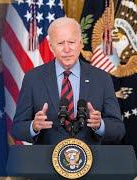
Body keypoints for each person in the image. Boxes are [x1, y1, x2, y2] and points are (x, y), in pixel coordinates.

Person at [12, 17, 125, 145]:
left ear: (81, 44)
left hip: (91, 160)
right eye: (60, 43)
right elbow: (17, 129)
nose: (67, 49)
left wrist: (100, 125)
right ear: (51, 46)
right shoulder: (33, 78)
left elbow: (119, 129)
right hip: (46, 161)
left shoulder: (102, 78)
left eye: (71, 42)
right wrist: (34, 126)